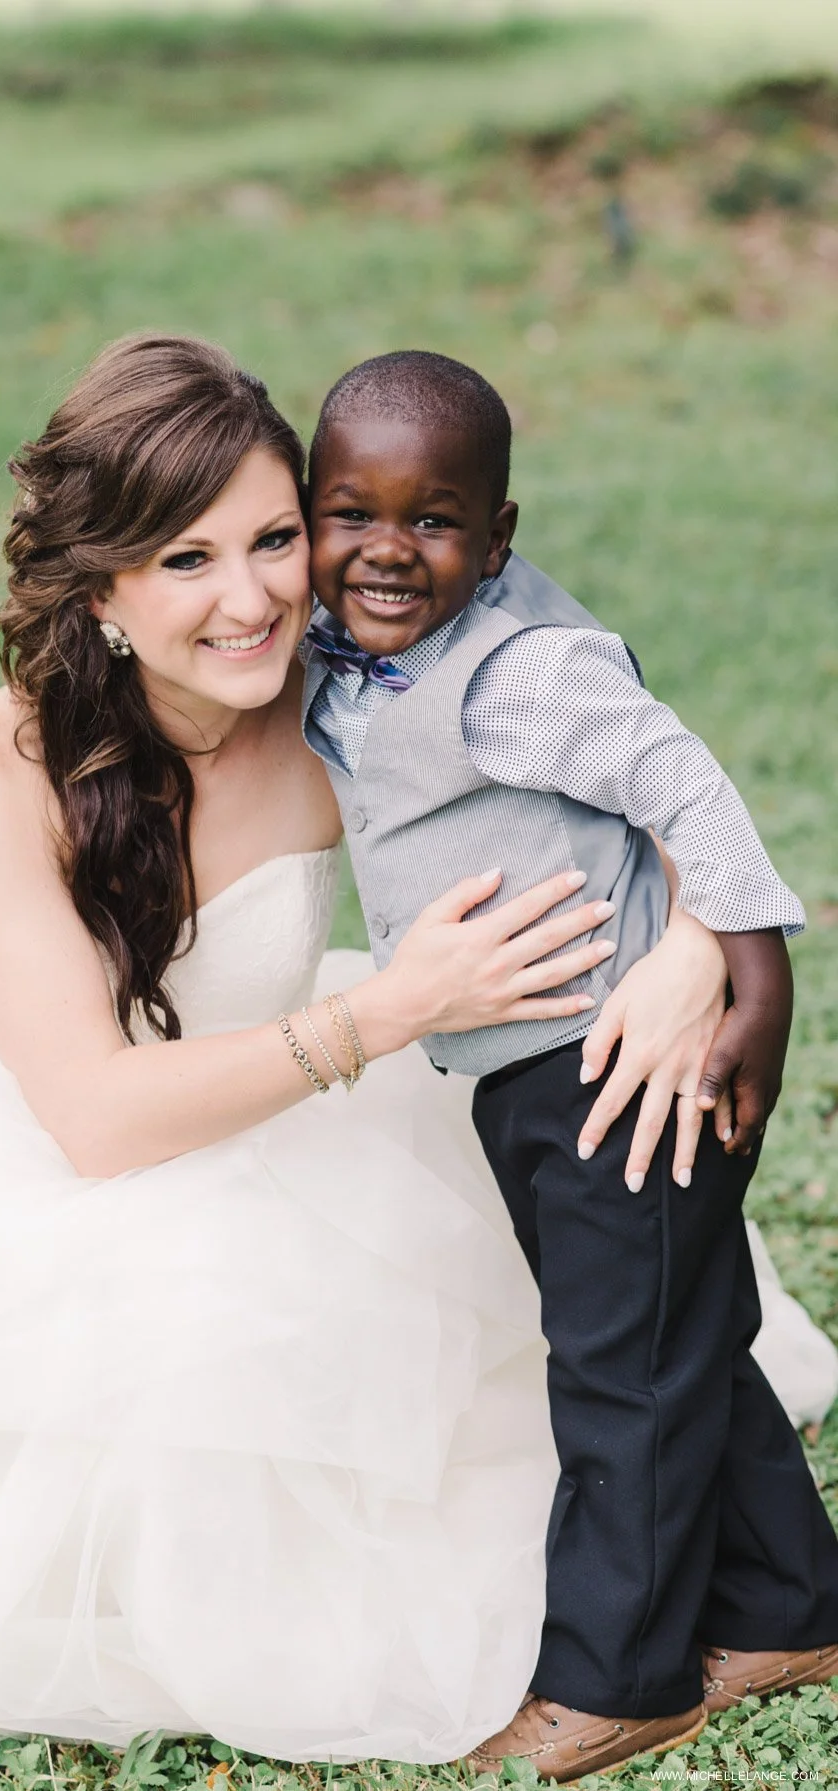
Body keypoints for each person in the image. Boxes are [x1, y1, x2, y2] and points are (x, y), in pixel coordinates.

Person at [0, 336, 836, 1766]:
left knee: (616, 1335)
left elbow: (608, 719)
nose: (254, 600)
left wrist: (687, 945)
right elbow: (94, 1120)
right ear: (98, 587)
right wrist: (393, 1008)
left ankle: (753, 1605)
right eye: (186, 560)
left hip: (349, 1098)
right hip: (101, 1164)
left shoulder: (349, 674)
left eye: (277, 538)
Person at [301, 348, 838, 1780]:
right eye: (352, 513)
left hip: (623, 1067)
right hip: (532, 1070)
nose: (389, 551)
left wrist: (755, 981)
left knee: (622, 1377)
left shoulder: (522, 671)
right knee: (675, 1343)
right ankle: (792, 1605)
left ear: (501, 535)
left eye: (437, 519)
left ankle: (618, 1673)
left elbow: (685, 782)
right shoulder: (335, 628)